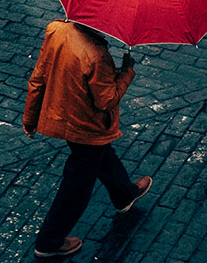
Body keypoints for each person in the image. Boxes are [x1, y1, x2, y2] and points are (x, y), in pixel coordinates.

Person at [23, 20, 152, 258]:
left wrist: (30, 118)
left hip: (63, 114)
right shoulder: (97, 56)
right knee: (77, 187)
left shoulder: (56, 29)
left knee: (102, 154)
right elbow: (107, 100)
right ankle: (49, 241)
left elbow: (39, 77)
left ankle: (124, 194)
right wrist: (126, 73)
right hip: (86, 128)